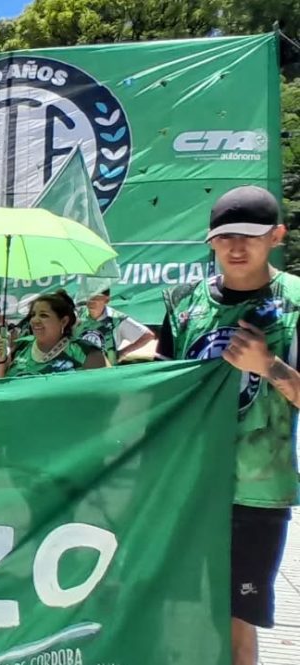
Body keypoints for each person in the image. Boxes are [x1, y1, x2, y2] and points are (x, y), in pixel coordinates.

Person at [157, 185, 300, 665]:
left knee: (238, 622)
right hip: (186, 489)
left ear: (277, 236)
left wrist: (270, 367)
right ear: (210, 241)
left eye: (252, 236)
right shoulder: (182, 302)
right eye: (225, 237)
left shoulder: (296, 301)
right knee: (176, 613)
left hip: (257, 492)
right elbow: (160, 391)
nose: (237, 248)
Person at [0, 290, 107, 377]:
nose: (34, 320)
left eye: (43, 315)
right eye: (33, 315)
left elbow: (102, 395)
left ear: (64, 321)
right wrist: (0, 361)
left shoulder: (85, 352)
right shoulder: (20, 345)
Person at [74, 288, 154, 364]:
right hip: (77, 369)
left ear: (106, 300)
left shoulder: (116, 319)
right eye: (89, 296)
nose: (92, 300)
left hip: (105, 370)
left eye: (96, 297)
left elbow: (147, 336)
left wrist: (123, 352)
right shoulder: (77, 314)